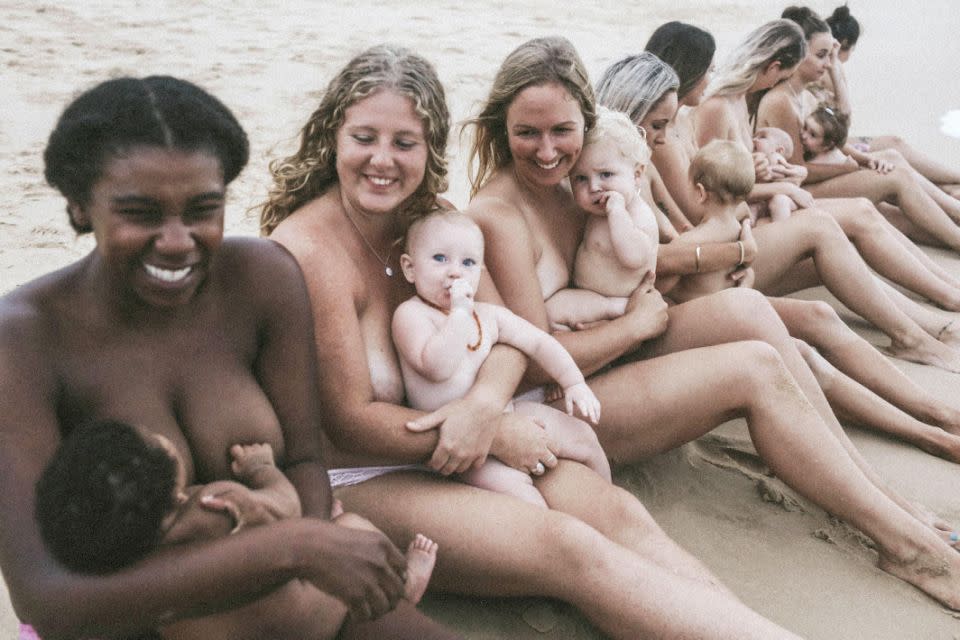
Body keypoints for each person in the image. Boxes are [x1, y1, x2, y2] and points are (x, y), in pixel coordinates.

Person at [262, 41, 807, 639]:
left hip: (475, 432)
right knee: (569, 546)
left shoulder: (432, 222)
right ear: (333, 137)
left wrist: (485, 405)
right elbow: (347, 419)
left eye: (405, 143)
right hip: (364, 472)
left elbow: (507, 334)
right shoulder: (308, 251)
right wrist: (486, 428)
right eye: (364, 138)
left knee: (620, 513)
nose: (382, 161)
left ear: (431, 148)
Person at [466, 34, 960, 612]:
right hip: (562, 400)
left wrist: (728, 250)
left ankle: (879, 495)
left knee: (748, 310)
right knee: (753, 370)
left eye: (562, 131)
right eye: (528, 133)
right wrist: (639, 324)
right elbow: (533, 362)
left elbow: (646, 253)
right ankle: (909, 548)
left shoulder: (578, 181)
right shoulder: (497, 213)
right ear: (500, 126)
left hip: (611, 350)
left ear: (586, 119)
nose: (548, 150)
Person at [0, 75, 459, 640]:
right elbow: (44, 594)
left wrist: (300, 562)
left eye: (202, 208)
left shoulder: (263, 279)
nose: (177, 240)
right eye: (140, 212)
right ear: (77, 208)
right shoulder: (23, 340)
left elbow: (305, 463)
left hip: (297, 604)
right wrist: (289, 548)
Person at [598, 51, 960, 462]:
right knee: (800, 347)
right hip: (657, 310)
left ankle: (937, 414)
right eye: (657, 124)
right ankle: (922, 430)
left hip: (685, 284)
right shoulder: (604, 173)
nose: (662, 135)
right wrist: (733, 249)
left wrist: (735, 248)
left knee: (818, 317)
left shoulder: (639, 157)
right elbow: (653, 257)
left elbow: (680, 226)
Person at [34, 419, 440, 640]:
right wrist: (262, 470)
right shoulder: (219, 504)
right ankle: (403, 582)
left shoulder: (133, 560)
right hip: (320, 620)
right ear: (174, 493)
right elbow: (288, 508)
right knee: (349, 526)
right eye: (154, 439)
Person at [393, 209, 609, 506]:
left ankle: (608, 500)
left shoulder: (488, 315)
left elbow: (538, 342)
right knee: (523, 496)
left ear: (479, 273)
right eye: (440, 259)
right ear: (409, 268)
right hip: (465, 445)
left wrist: (573, 382)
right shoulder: (411, 315)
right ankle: (549, 533)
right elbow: (437, 367)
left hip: (505, 413)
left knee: (584, 436)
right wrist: (459, 314)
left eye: (467, 263)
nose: (454, 271)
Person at [756, 8, 960, 251]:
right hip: (800, 189)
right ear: (799, 54)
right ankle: (956, 223)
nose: (828, 63)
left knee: (891, 173)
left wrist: (865, 160)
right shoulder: (781, 101)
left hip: (819, 177)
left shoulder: (804, 96)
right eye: (821, 55)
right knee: (896, 178)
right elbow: (800, 170)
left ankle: (953, 221)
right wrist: (849, 167)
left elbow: (837, 134)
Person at [820, 5, 960, 197]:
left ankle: (951, 188)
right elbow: (843, 121)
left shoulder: (827, 69)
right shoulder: (829, 71)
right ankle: (951, 187)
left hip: (835, 140)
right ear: (847, 44)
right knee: (895, 148)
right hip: (833, 143)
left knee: (895, 144)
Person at [545, 106, 660, 330]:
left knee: (553, 312)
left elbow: (635, 257)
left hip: (617, 299)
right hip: (590, 295)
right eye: (580, 179)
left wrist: (617, 212)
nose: (594, 187)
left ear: (637, 175)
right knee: (549, 311)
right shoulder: (597, 211)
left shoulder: (637, 215)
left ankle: (619, 312)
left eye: (606, 174)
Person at [665, 140, 756, 302]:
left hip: (698, 317)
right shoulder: (740, 232)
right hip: (729, 308)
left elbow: (662, 286)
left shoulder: (688, 242)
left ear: (700, 192)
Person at [751, 126, 802, 221]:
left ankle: (781, 229)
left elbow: (777, 173)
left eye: (762, 137)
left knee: (780, 201)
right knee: (751, 209)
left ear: (779, 150)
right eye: (754, 136)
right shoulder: (757, 158)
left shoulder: (776, 158)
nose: (754, 139)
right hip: (763, 200)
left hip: (785, 198)